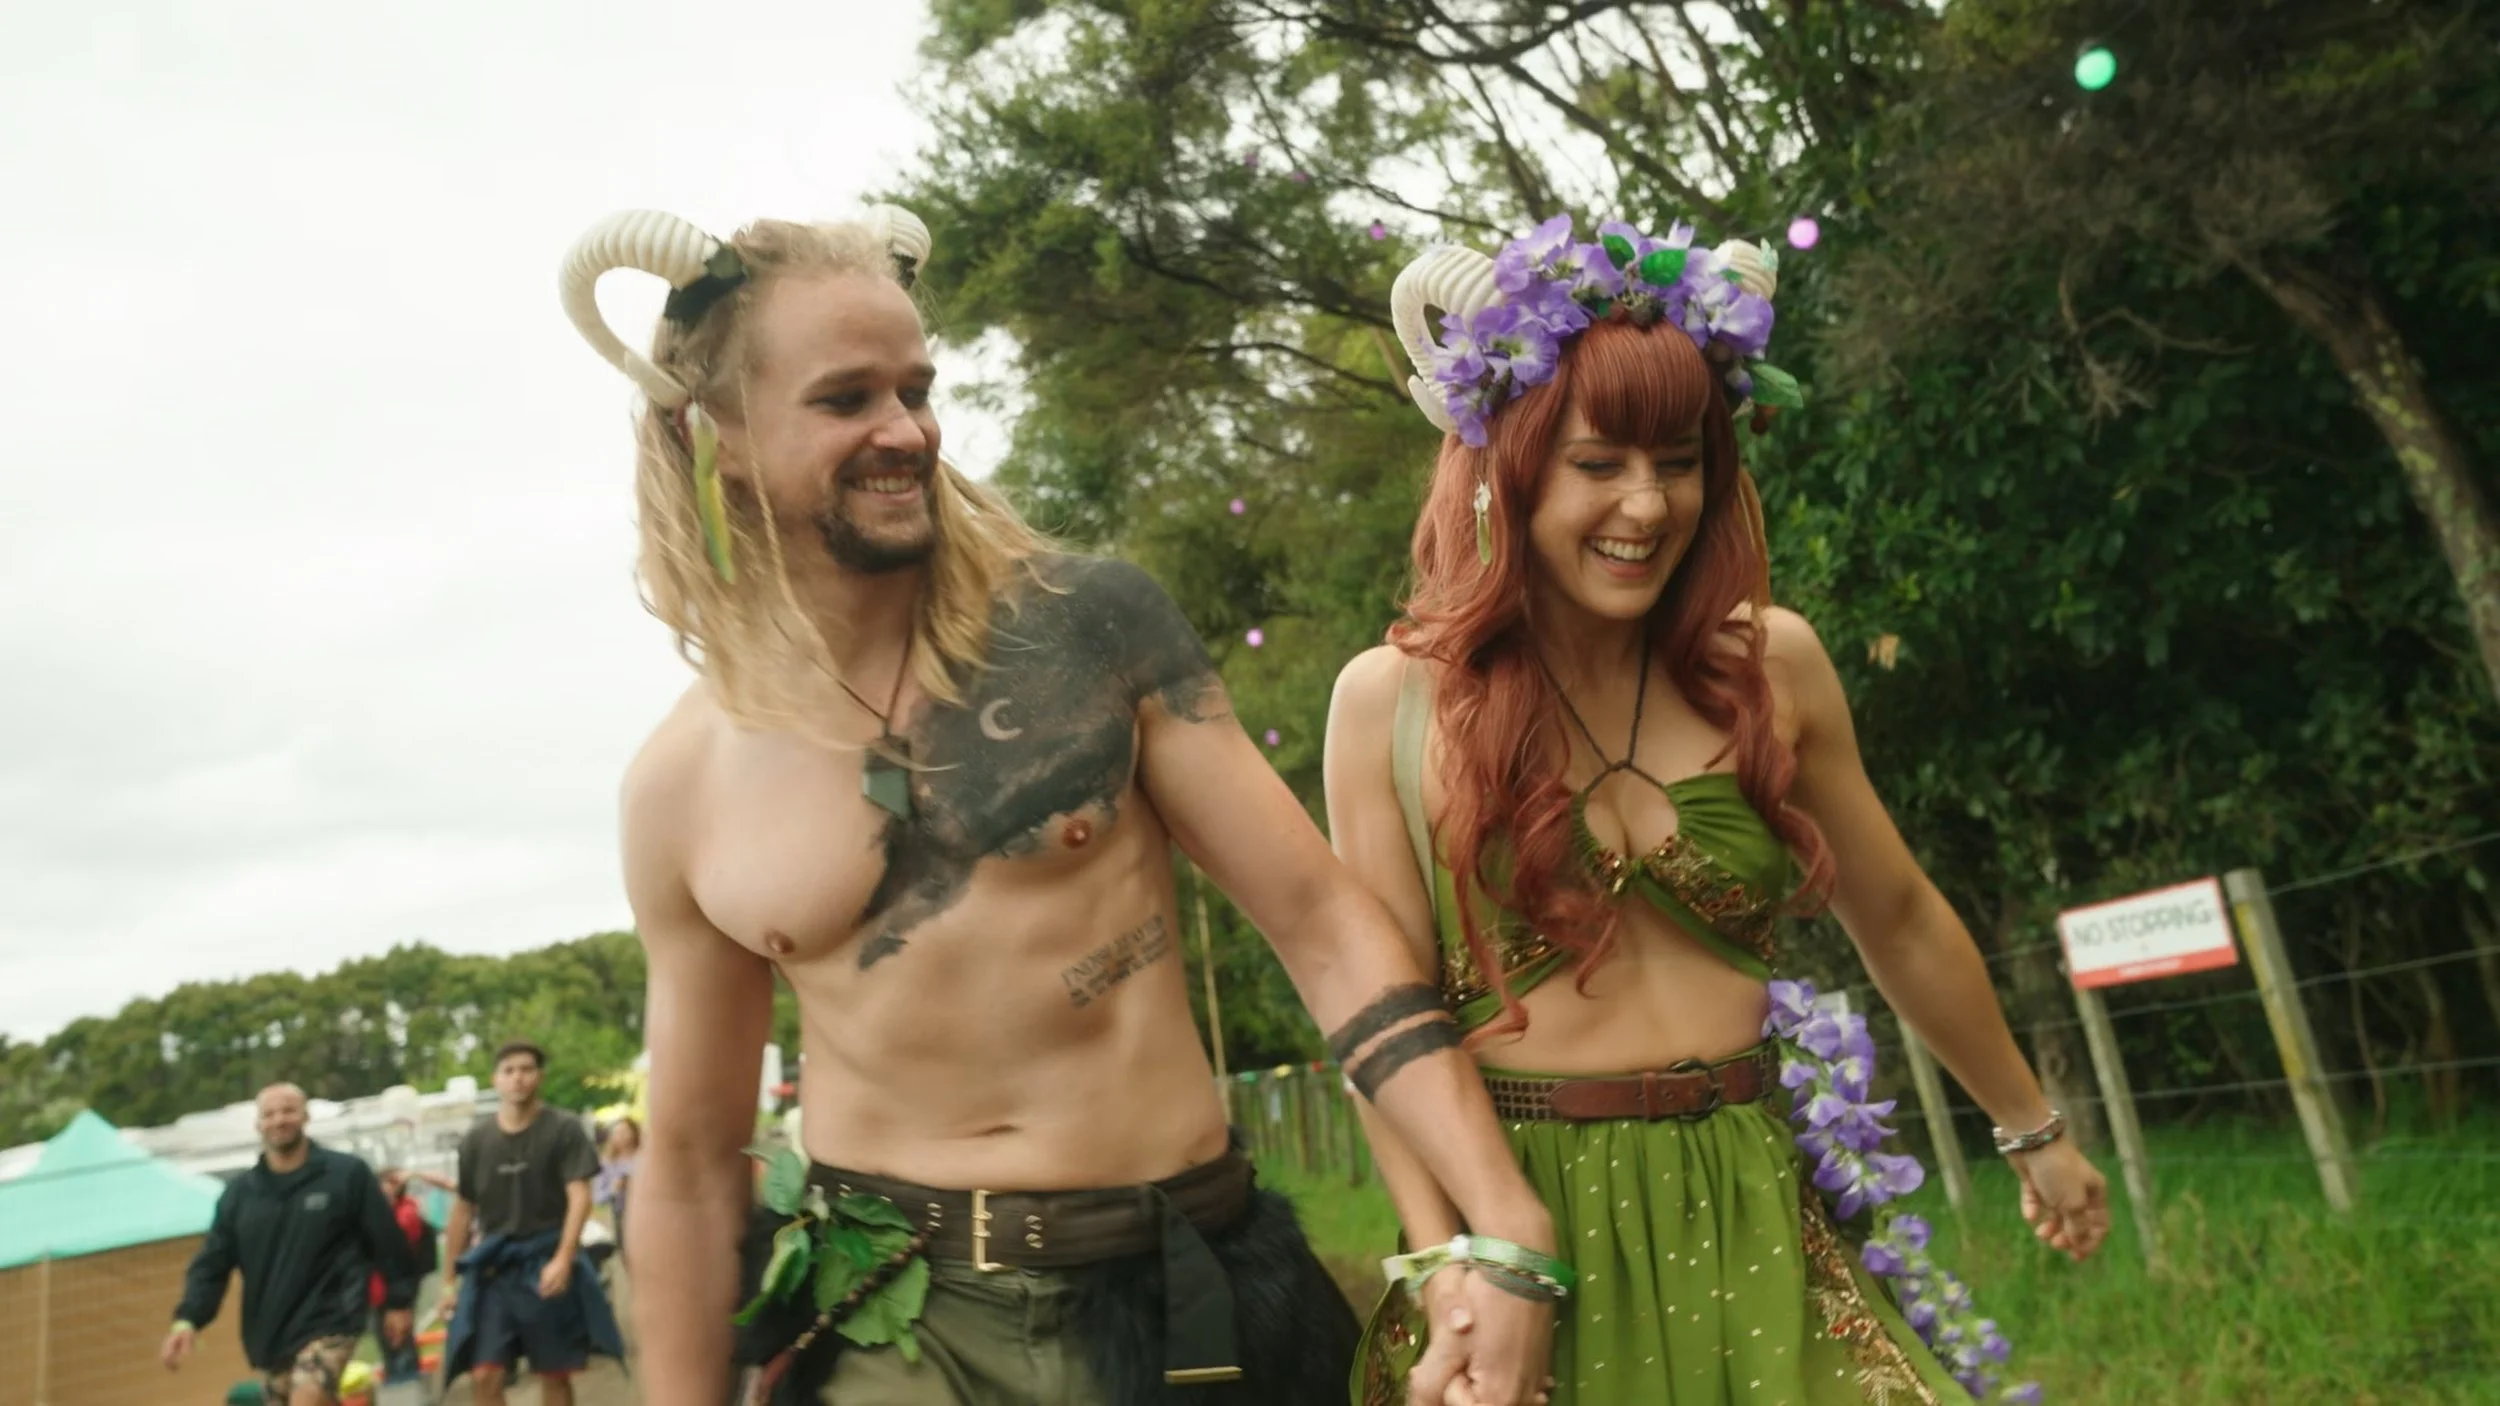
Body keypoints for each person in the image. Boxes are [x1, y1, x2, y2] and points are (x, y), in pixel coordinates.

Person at [557, 206, 1566, 1406]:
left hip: (1184, 1289)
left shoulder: (1086, 629)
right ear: (712, 433)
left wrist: (1502, 1222)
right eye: (846, 399)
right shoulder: (679, 786)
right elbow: (686, 1163)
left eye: (916, 388)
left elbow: (1321, 924)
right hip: (897, 1327)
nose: (906, 430)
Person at [1323, 217, 2112, 1405]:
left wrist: (2029, 1126)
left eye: (1680, 460)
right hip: (1526, 1226)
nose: (1647, 504)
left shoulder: (1769, 667)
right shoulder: (1388, 703)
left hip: (1756, 1199)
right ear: (1507, 467)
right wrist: (1454, 1269)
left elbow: (1898, 915)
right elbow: (1385, 1026)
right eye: (1598, 463)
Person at [162, 1083, 418, 1406]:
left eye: (288, 1111)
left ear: (305, 1117)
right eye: (269, 1114)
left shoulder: (346, 1175)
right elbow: (212, 1264)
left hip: (333, 1318)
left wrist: (399, 1301)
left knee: (307, 1397)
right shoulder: (240, 1195)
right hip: (272, 1331)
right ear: (258, 1124)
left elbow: (387, 1239)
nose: (279, 1120)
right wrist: (188, 1319)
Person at [439, 1040, 626, 1406]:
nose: (518, 1078)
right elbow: (463, 1209)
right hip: (494, 1269)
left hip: (545, 1259)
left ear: (539, 1077)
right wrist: (448, 1281)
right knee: (485, 1374)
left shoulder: (564, 1129)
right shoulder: (476, 1141)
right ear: (495, 1080)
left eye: (526, 1069)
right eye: (509, 1071)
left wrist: (563, 1258)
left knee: (554, 1374)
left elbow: (580, 1196)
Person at [369, 1167, 451, 1384]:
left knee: (399, 1339)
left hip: (398, 1289)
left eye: (391, 1185)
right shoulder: (378, 1213)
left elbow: (396, 1244)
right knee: (386, 1341)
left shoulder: (405, 1213)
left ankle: (409, 1387)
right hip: (377, 1289)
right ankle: (398, 1384)